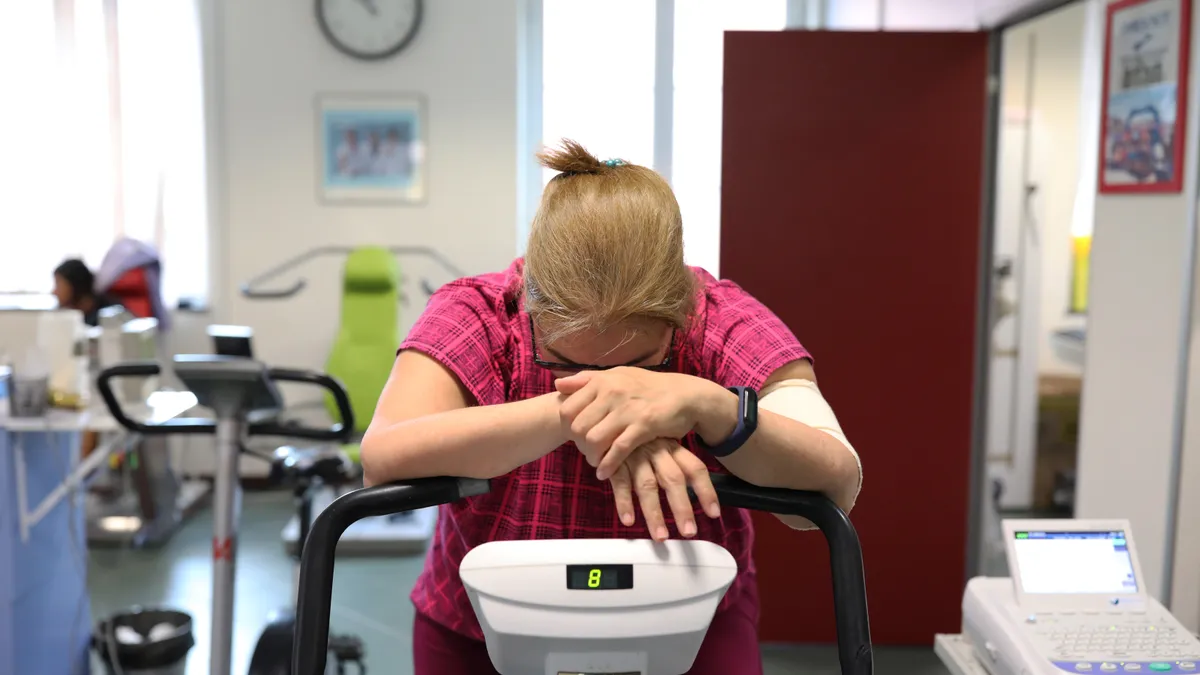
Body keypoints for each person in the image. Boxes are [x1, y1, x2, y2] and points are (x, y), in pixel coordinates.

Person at [359, 140, 863, 675]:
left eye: (641, 365)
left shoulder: (719, 317)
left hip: (690, 622)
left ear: (681, 311)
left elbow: (836, 479)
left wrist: (709, 407)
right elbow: (385, 457)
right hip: (480, 626)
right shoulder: (480, 310)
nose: (610, 388)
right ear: (530, 299)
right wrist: (570, 414)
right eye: (565, 365)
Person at [53, 258, 121, 327]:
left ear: (75, 286)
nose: (54, 292)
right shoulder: (64, 315)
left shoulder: (110, 314)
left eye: (58, 285)